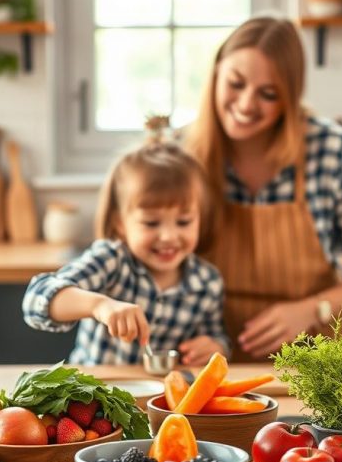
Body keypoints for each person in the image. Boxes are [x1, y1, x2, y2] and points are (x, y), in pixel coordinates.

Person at [185, 15, 342, 361]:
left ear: (290, 97)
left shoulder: (332, 150)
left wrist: (311, 310)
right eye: (235, 83)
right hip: (212, 366)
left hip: (319, 365)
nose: (245, 104)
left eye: (268, 94)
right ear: (215, 75)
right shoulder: (183, 155)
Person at [22, 138, 229, 366]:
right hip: (94, 393)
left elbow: (216, 338)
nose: (169, 236)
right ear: (120, 223)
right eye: (151, 223)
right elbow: (36, 299)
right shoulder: (111, 260)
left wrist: (214, 348)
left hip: (159, 398)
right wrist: (99, 306)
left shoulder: (208, 282)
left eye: (183, 221)